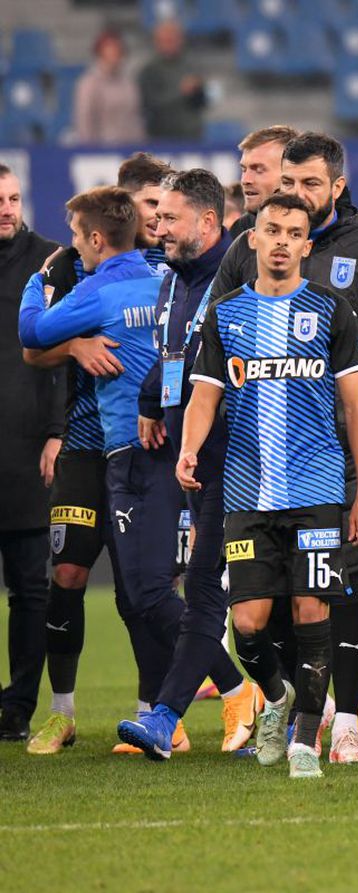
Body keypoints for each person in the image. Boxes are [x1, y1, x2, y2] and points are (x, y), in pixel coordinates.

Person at [211, 132, 358, 763]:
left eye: (309, 184)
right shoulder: (249, 251)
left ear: (337, 185)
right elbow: (214, 342)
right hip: (266, 463)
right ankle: (303, 709)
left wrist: (341, 429)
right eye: (287, 183)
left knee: (347, 586)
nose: (296, 195)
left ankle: (351, 723)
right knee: (270, 604)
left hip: (346, 453)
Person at [177, 192, 358, 779]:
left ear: (306, 246)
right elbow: (205, 395)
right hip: (246, 493)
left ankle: (306, 744)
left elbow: (357, 408)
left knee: (313, 613)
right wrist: (190, 446)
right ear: (254, 240)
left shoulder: (332, 311)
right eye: (274, 229)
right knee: (248, 625)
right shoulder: (227, 314)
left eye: (295, 232)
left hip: (316, 492)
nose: (284, 240)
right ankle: (279, 698)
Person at [19, 187, 186, 755]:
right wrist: (76, 348)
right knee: (65, 573)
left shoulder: (167, 274)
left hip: (140, 445)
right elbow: (33, 351)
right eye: (150, 209)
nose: (158, 219)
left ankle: (153, 713)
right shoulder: (75, 269)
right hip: (86, 445)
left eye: (162, 210)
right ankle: (61, 713)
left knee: (139, 589)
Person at [113, 169, 263, 758]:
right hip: (196, 463)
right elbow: (174, 359)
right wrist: (153, 403)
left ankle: (170, 714)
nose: (159, 226)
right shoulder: (174, 281)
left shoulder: (237, 280)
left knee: (214, 595)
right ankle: (263, 702)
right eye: (158, 216)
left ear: (208, 222)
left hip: (241, 462)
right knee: (223, 600)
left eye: (171, 218)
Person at [0, 165, 59, 741]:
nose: (7, 208)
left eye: (14, 198)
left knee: (30, 588)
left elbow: (65, 355)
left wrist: (57, 430)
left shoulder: (50, 261)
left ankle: (17, 706)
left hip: (25, 450)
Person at [137, 19, 207, 141]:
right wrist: (181, 91)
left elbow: (204, 101)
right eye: (166, 40)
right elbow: (149, 103)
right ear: (157, 42)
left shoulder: (191, 66)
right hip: (162, 137)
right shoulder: (149, 70)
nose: (170, 44)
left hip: (191, 136)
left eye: (173, 39)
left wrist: (200, 89)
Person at [73, 29, 144, 145]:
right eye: (109, 50)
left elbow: (135, 118)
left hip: (130, 148)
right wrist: (88, 149)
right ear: (100, 53)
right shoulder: (89, 83)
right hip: (103, 150)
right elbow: (84, 120)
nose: (114, 54)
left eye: (117, 50)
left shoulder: (128, 83)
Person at [230, 125, 299, 239]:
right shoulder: (241, 229)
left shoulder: (328, 233)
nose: (245, 180)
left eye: (258, 170)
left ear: (290, 175)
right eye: (244, 169)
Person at [118, 153, 172, 274]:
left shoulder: (177, 263)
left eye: (166, 207)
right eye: (152, 203)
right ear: (124, 201)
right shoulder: (83, 263)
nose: (161, 216)